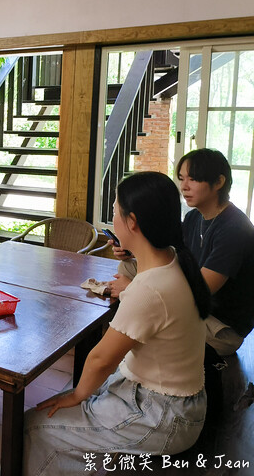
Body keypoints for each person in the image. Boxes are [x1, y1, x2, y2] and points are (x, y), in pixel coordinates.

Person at [23, 171, 211, 474]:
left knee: (36, 425)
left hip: (162, 414)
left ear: (132, 222)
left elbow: (100, 359)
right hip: (171, 400)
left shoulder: (150, 288)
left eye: (114, 212)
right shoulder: (175, 260)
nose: (112, 221)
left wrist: (77, 395)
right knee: (64, 409)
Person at [108, 149, 254, 357]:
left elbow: (199, 292)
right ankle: (134, 319)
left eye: (193, 179)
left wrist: (132, 290)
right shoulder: (195, 217)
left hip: (218, 327)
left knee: (136, 302)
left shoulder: (235, 229)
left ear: (219, 182)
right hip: (192, 307)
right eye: (182, 179)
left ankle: (130, 327)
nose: (184, 187)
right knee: (128, 266)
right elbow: (168, 254)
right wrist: (132, 251)